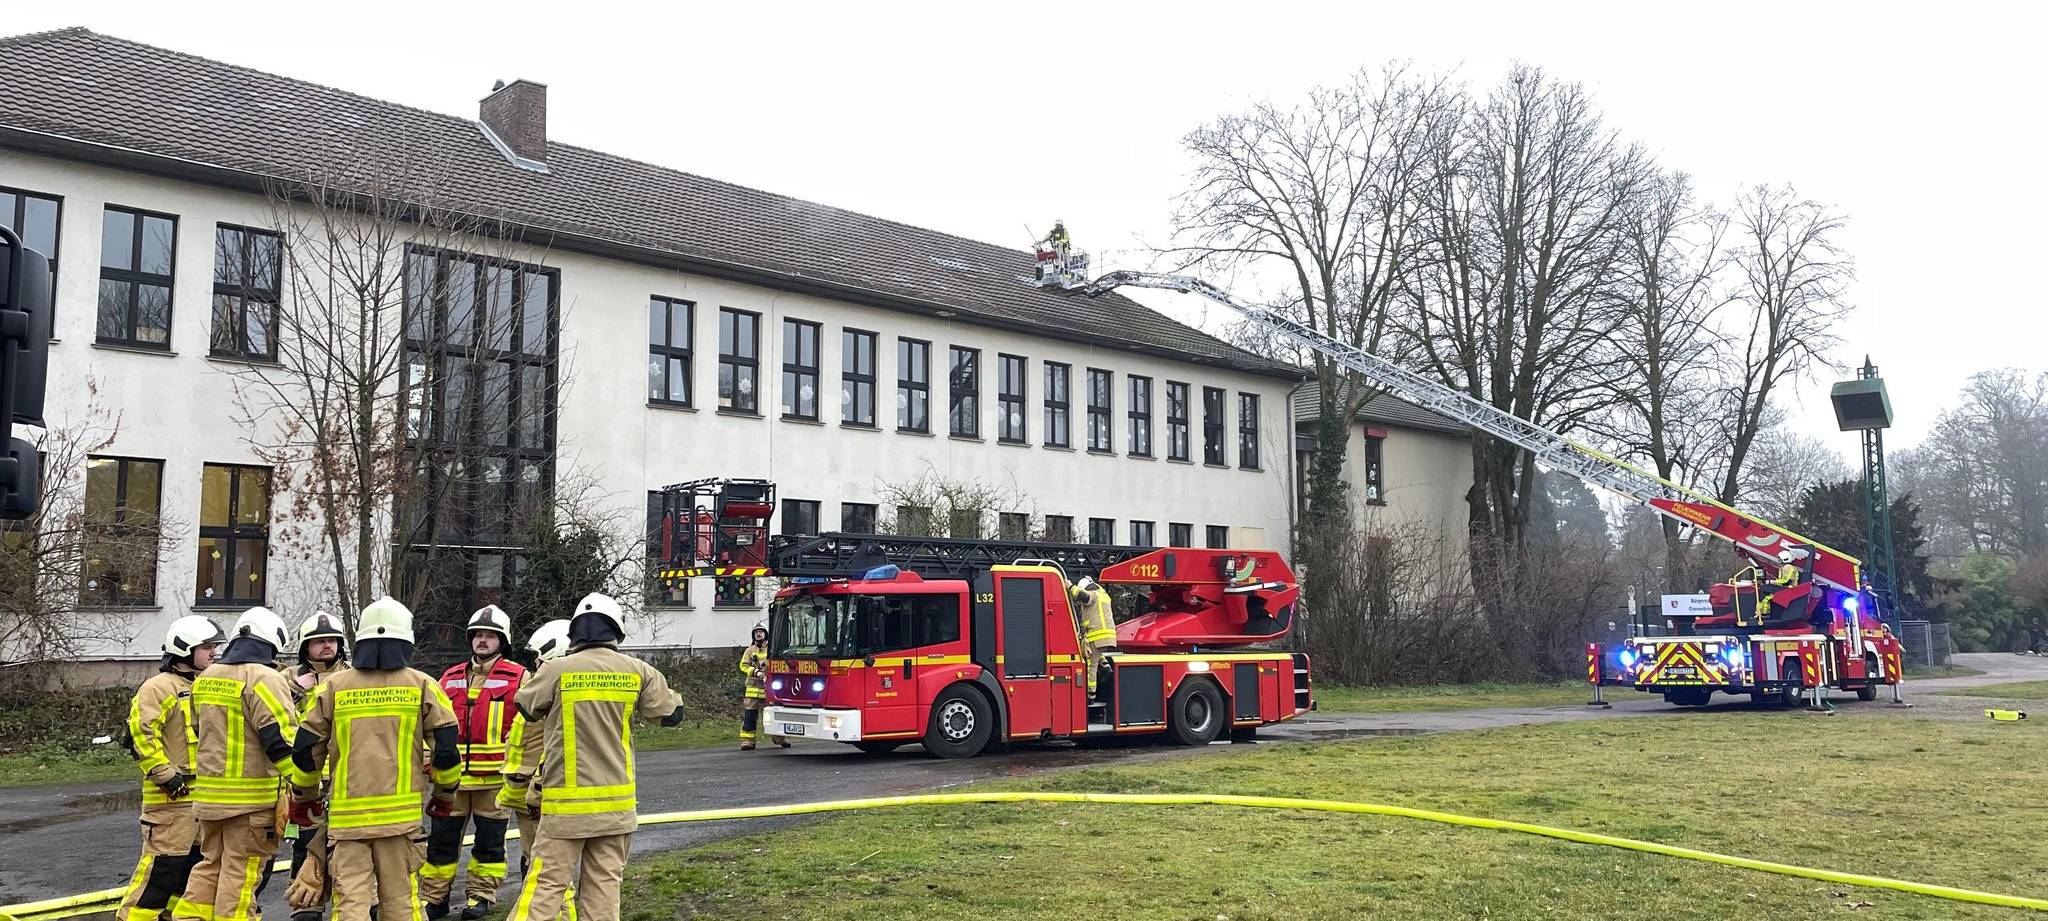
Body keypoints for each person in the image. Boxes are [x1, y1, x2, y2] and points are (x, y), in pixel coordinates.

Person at [508, 592, 685, 921]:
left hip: (566, 805)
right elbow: (672, 714)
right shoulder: (638, 672)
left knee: (546, 884)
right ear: (616, 631)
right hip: (616, 806)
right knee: (604, 885)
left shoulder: (555, 670)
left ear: (574, 633)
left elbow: (525, 706)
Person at [286, 597, 460, 921]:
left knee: (350, 902)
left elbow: (306, 750)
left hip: (348, 822)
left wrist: (303, 798)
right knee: (401, 903)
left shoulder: (334, 687)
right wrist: (444, 795)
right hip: (401, 822)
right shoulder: (423, 685)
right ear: (406, 639)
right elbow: (447, 749)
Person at [178, 607, 299, 921]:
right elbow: (278, 740)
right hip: (250, 802)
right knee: (241, 872)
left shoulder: (206, 679)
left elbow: (197, 729)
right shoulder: (264, 678)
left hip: (208, 798)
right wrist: (302, 785)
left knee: (209, 865)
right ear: (272, 643)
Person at [422, 606, 527, 920]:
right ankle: (434, 899)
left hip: (494, 780)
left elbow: (529, 727)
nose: (482, 641)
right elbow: (430, 726)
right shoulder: (450, 677)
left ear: (501, 641)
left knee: (490, 844)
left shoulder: (519, 676)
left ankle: (480, 897)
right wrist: (431, 763)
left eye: (490, 636)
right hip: (451, 782)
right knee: (440, 844)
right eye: (478, 635)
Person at [116, 616, 224, 921]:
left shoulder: (208, 685)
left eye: (214, 646)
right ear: (185, 649)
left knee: (192, 869)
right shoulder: (159, 688)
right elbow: (140, 735)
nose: (214, 652)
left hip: (202, 795)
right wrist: (165, 775)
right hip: (170, 796)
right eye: (207, 647)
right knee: (162, 869)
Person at [497, 619, 577, 918]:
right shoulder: (540, 690)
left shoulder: (552, 695)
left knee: (549, 872)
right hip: (525, 797)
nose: (533, 664)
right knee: (536, 865)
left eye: (537, 658)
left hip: (539, 797)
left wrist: (540, 787)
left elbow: (555, 747)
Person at [282, 612, 349, 921]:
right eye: (319, 641)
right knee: (303, 842)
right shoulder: (287, 678)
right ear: (306, 647)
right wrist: (297, 690)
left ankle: (345, 902)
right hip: (302, 777)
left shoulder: (350, 676)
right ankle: (307, 905)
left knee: (342, 844)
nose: (326, 646)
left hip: (339, 775)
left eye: (332, 641)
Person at [737, 624, 787, 751]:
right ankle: (748, 741)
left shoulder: (772, 649)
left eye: (761, 632)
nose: (758, 634)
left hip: (769, 689)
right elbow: (743, 665)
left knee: (774, 714)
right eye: (756, 633)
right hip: (753, 689)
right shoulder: (749, 650)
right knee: (750, 715)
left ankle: (780, 738)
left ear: (766, 634)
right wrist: (755, 672)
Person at [1068, 578, 1117, 696]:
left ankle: (1091, 694)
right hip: (1107, 636)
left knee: (1091, 664)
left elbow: (1084, 597)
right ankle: (1106, 666)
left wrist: (1070, 587)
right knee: (1096, 655)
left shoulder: (1092, 595)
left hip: (1097, 635)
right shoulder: (1102, 594)